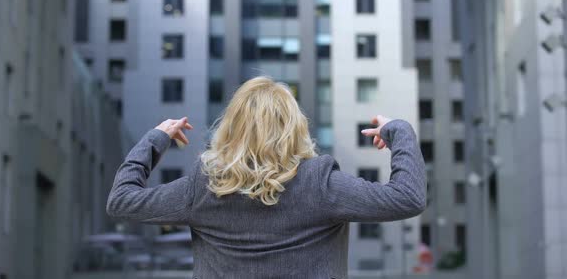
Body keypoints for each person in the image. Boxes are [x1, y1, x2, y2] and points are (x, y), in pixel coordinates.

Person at [106, 76, 426, 278]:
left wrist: (156, 139)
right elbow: (407, 197)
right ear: (295, 127)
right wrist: (399, 132)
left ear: (231, 128)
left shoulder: (204, 187)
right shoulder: (320, 184)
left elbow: (122, 201)